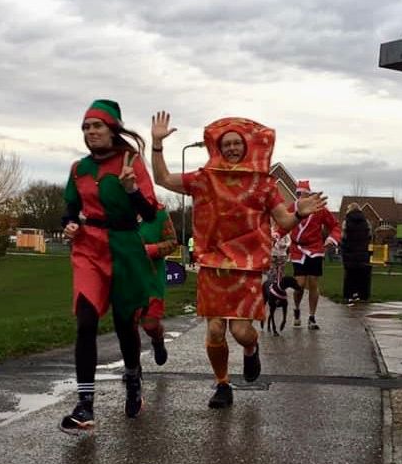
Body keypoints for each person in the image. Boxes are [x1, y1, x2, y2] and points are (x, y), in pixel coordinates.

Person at [150, 112, 326, 408]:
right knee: (216, 329)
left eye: (237, 143)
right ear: (218, 148)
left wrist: (299, 211)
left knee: (242, 332)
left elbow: (282, 219)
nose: (232, 148)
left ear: (246, 147)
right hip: (212, 266)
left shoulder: (264, 185)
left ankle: (251, 349)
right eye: (226, 143)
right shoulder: (205, 179)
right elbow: (163, 178)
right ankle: (222, 384)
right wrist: (157, 144)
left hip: (246, 268)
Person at [59, 99, 158, 433]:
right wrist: (70, 223)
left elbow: (151, 213)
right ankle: (85, 405)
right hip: (89, 246)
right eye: (86, 127)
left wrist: (131, 189)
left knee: (123, 324)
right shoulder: (78, 169)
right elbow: (70, 208)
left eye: (97, 126)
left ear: (113, 128)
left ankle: (132, 377)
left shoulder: (131, 162)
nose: (90, 133)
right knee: (85, 320)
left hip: (125, 246)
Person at [288, 180, 341, 329]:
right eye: (297, 194)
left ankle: (311, 316)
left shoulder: (320, 209)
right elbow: (283, 224)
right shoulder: (292, 208)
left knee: (313, 282)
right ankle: (297, 309)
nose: (299, 196)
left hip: (315, 249)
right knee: (299, 284)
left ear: (309, 194)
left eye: (302, 194)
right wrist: (276, 234)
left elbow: (335, 225)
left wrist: (332, 238)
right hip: (298, 250)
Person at [139, 204, 178, 366]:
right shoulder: (116, 210)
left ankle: (158, 338)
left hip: (152, 277)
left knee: (150, 324)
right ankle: (133, 368)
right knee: (127, 325)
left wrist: (150, 249)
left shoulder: (159, 213)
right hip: (125, 275)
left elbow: (172, 242)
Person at [340, 202, 372, 306]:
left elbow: (343, 237)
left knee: (349, 275)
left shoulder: (346, 222)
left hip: (350, 252)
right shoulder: (366, 222)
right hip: (363, 253)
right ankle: (362, 295)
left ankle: (349, 296)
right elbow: (369, 236)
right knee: (362, 276)